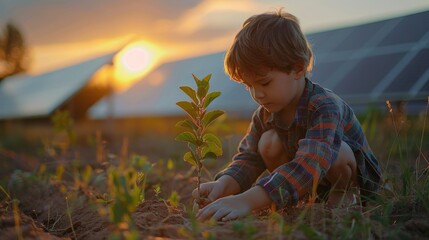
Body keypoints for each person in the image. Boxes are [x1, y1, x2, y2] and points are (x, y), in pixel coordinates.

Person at [193, 9, 382, 222]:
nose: (257, 94)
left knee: (338, 152)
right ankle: (295, 199)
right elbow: (249, 158)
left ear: (298, 69)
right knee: (267, 142)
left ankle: (344, 200)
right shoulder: (264, 114)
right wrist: (223, 184)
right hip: (301, 181)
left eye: (264, 82)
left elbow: (310, 164)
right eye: (249, 86)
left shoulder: (324, 106)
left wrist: (246, 200)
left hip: (344, 175)